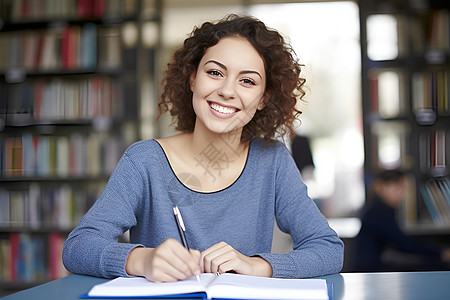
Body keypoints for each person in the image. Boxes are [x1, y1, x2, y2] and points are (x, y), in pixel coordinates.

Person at [62, 14, 344, 283]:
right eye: (215, 72)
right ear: (193, 78)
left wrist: (257, 264)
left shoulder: (272, 161)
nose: (227, 91)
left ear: (263, 98)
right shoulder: (144, 160)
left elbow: (328, 249)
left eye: (247, 80)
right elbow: (78, 247)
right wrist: (141, 260)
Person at [351, 169, 450, 272]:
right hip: (369, 270)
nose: (401, 193)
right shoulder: (378, 212)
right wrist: (440, 253)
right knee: (437, 266)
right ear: (380, 187)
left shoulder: (377, 208)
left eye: (403, 188)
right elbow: (403, 243)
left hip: (371, 267)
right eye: (397, 188)